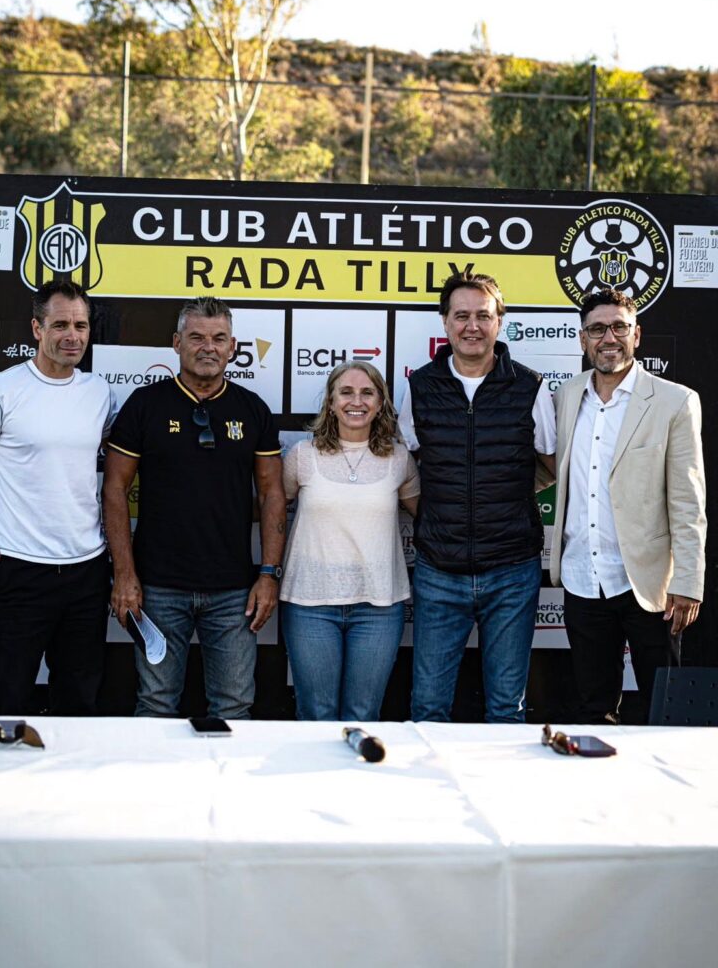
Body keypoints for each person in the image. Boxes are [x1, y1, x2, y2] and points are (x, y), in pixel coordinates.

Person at [102, 296, 286, 720]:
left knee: (235, 706)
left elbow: (273, 493)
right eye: (197, 337)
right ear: (176, 343)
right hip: (158, 588)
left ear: (233, 347)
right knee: (155, 702)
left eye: (219, 338)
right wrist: (125, 575)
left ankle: (226, 788)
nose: (208, 347)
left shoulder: (252, 409)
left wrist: (269, 574)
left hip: (234, 592)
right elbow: (114, 490)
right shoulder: (144, 405)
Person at [398, 265, 556, 723]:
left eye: (483, 315)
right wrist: (434, 517)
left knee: (507, 707)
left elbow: (549, 463)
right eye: (461, 316)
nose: (472, 326)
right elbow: (406, 465)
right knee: (428, 706)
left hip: (512, 569)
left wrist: (503, 497)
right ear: (445, 322)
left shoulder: (530, 386)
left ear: (499, 320)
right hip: (438, 570)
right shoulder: (421, 386)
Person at [0, 280, 115, 715]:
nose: (72, 335)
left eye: (81, 325)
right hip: (19, 572)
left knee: (78, 702)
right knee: (6, 698)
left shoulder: (99, 393)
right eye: (60, 324)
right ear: (36, 329)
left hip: (87, 571)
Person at [550, 290, 706, 724]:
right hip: (583, 579)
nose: (609, 338)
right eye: (598, 329)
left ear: (636, 335)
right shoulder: (566, 396)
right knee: (593, 709)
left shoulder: (675, 401)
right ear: (583, 340)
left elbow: (687, 499)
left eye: (619, 327)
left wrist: (689, 581)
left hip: (651, 585)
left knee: (665, 713)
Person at [281, 362, 419, 720]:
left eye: (367, 392)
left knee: (363, 714)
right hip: (310, 605)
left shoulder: (399, 460)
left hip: (378, 607)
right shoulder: (302, 457)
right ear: (330, 402)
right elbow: (272, 513)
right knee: (316, 714)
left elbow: (430, 518)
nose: (356, 401)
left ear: (379, 403)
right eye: (346, 392)